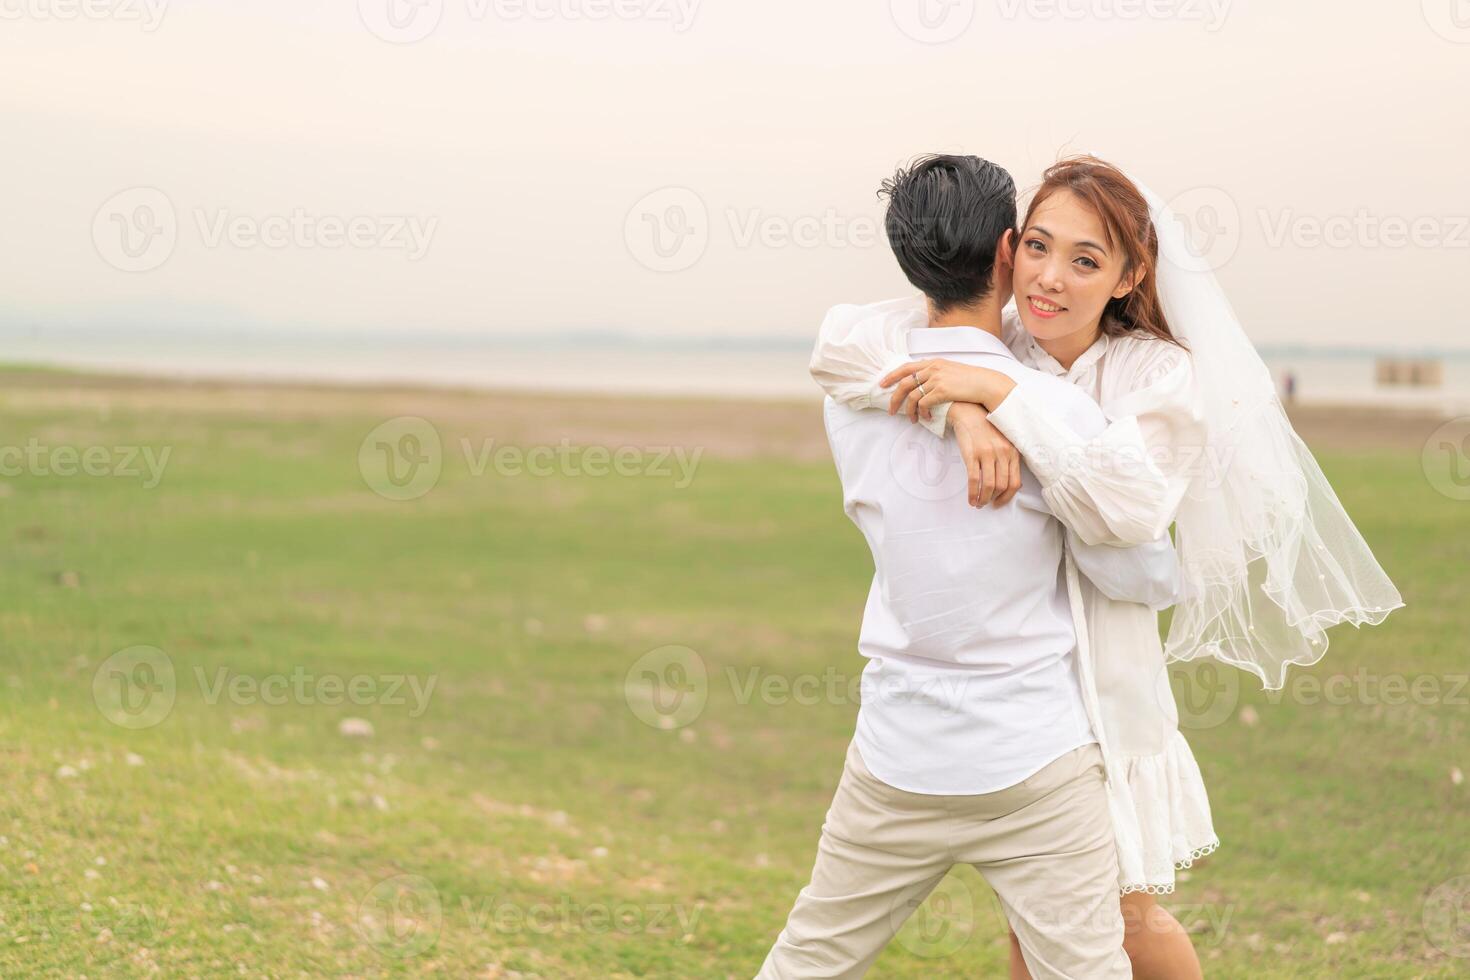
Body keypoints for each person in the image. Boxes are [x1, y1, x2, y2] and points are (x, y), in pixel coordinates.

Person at [808, 154, 1404, 979]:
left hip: (1105, 687)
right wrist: (961, 412)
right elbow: (841, 348)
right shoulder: (1006, 339)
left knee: (1126, 915)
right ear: (1009, 250)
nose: (1050, 279)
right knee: (1045, 926)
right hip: (1028, 693)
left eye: (1086, 261)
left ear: (1130, 277)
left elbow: (1128, 508)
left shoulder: (1153, 374)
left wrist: (998, 395)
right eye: (1041, 248)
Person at [757, 154, 1178, 979]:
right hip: (1036, 760)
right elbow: (1141, 539)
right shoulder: (1052, 399)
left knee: (809, 961)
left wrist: (958, 402)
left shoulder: (861, 384)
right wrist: (973, 410)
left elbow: (837, 341)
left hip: (896, 754)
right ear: (1008, 251)